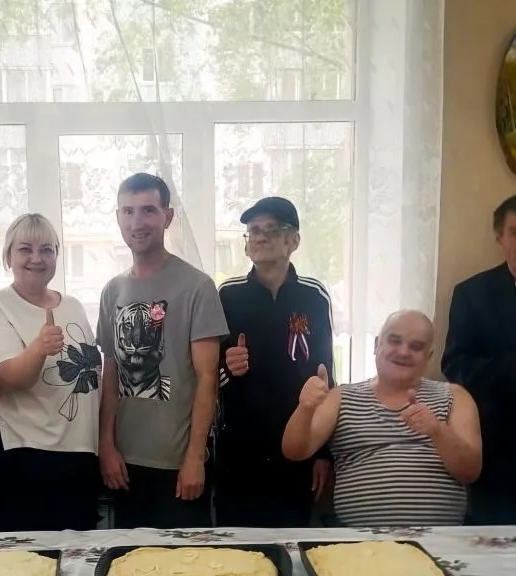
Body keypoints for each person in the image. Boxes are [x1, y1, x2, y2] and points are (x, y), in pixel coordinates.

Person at [97, 173, 228, 529]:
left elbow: (207, 379)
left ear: (167, 217)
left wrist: (195, 457)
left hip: (178, 465)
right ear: (118, 217)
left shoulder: (197, 287)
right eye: (128, 211)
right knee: (128, 559)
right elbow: (111, 374)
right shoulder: (113, 291)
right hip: (124, 464)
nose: (137, 222)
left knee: (184, 561)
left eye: (148, 210)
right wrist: (106, 446)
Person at [283, 310, 482, 527]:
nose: (403, 352)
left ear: (429, 355)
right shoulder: (341, 397)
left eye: (416, 346)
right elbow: (295, 451)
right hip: (361, 541)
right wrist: (306, 407)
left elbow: (470, 471)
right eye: (394, 341)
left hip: (440, 540)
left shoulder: (455, 396)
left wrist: (438, 431)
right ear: (377, 344)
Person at [0, 213, 102, 532]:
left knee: (78, 556)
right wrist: (38, 348)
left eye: (46, 249)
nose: (36, 258)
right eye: (25, 249)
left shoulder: (73, 305)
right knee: (25, 557)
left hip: (78, 456)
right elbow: (7, 377)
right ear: (8, 256)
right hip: (22, 456)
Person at [216, 196, 334, 527]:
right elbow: (208, 373)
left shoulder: (314, 296)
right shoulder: (227, 295)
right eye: (254, 231)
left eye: (271, 229)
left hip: (297, 445)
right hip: (240, 448)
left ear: (293, 240)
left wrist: (323, 452)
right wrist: (228, 366)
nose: (260, 237)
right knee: (236, 546)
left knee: (292, 541)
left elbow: (326, 377)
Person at [442, 194, 516, 524]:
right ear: (500, 237)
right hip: (499, 448)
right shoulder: (472, 294)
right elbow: (455, 366)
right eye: (515, 232)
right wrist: (510, 368)